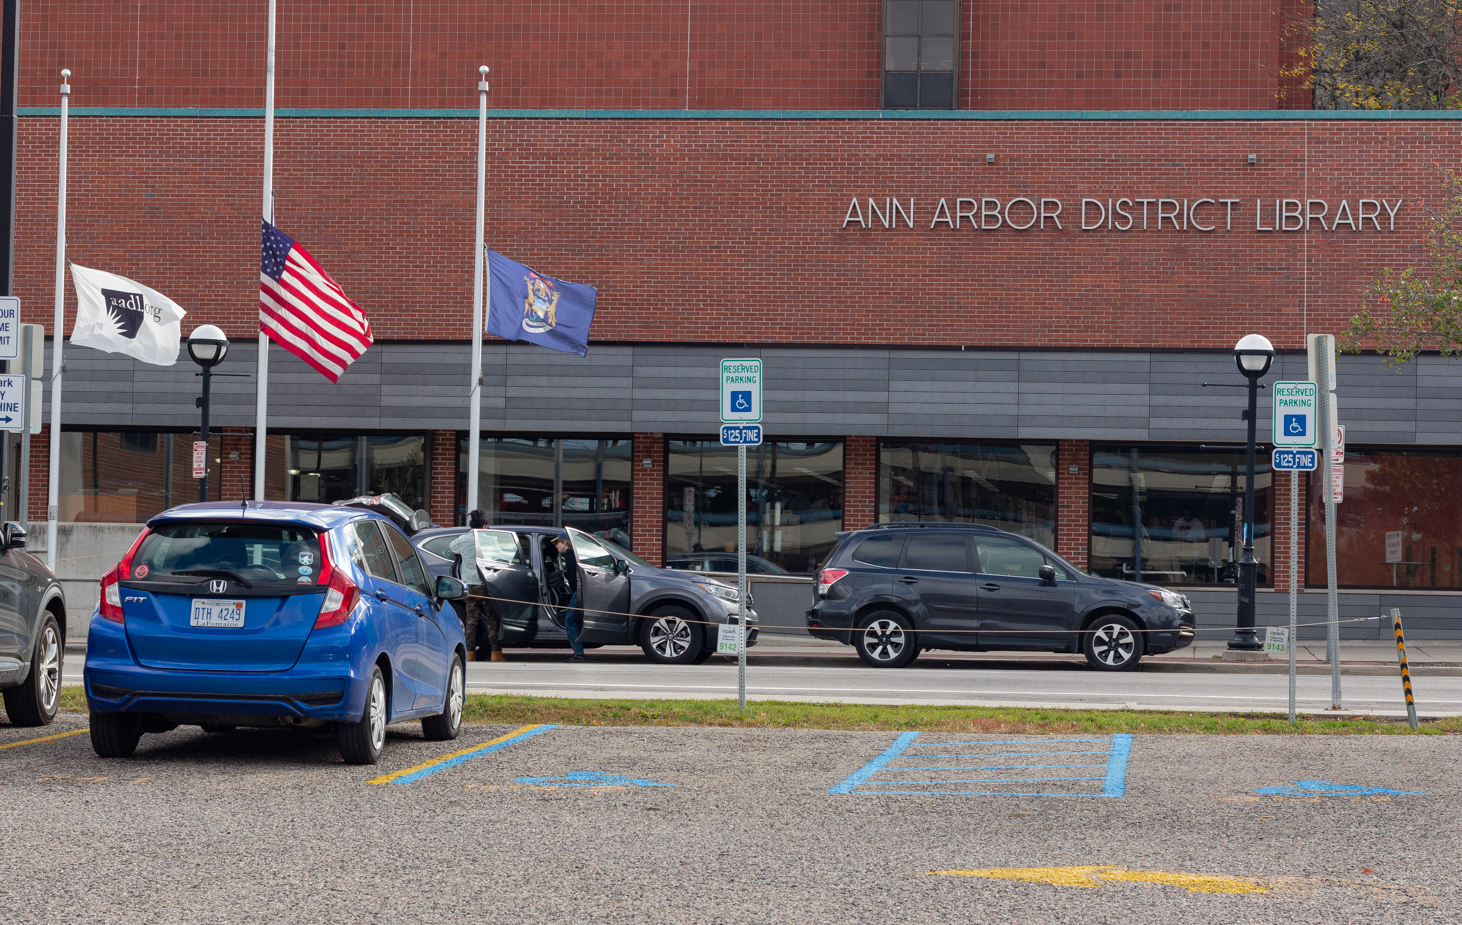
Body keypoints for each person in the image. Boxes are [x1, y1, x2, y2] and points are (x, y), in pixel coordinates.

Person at [449, 511, 505, 662]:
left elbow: (452, 547)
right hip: (486, 584)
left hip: (469, 584)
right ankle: (495, 653)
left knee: (471, 620)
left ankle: (469, 654)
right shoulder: (489, 541)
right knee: (492, 618)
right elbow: (500, 557)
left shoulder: (462, 540)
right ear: (484, 526)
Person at [548, 535, 583, 661]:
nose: (556, 546)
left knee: (570, 620)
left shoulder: (569, 554)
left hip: (577, 592)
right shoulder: (575, 553)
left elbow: (573, 579)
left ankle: (578, 652)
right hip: (580, 591)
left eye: (558, 543)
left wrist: (575, 594)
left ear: (564, 543)